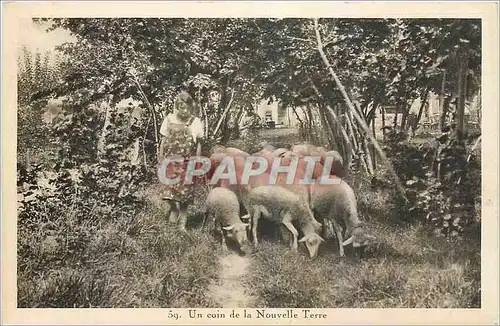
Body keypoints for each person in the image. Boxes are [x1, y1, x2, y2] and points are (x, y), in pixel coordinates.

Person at [158, 91, 204, 232]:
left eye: (186, 108)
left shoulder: (195, 122)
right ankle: (173, 209)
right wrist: (160, 158)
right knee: (168, 193)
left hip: (187, 163)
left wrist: (197, 161)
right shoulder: (169, 119)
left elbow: (199, 144)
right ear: (177, 107)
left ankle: (182, 224)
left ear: (191, 108)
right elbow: (163, 141)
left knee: (186, 195)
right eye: (180, 107)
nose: (183, 110)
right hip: (170, 162)